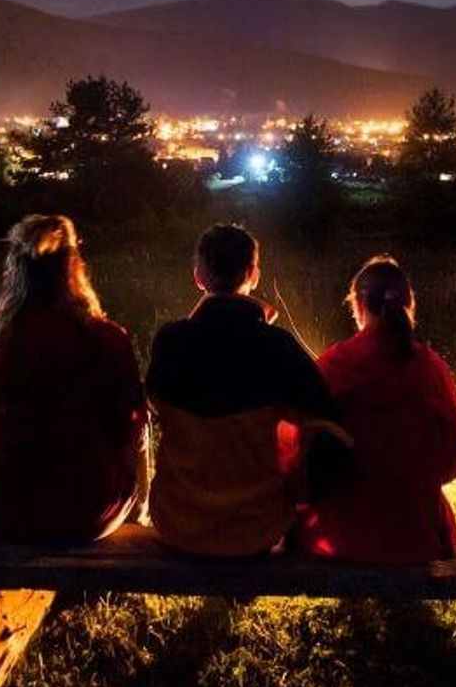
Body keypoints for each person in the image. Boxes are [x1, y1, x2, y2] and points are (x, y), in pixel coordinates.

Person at [145, 222, 346, 556]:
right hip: (257, 530)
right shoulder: (277, 347)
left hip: (177, 523)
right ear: (253, 274)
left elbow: (152, 406)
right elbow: (332, 426)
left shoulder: (171, 342)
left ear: (198, 276)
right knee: (316, 430)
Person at [0, 214, 145, 544]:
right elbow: (127, 426)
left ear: (13, 271)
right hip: (85, 515)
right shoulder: (104, 339)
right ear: (74, 267)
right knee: (136, 431)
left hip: (1, 514)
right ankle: (141, 512)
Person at [291, 256, 456, 564]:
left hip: (341, 537)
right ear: (410, 304)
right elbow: (454, 459)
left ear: (358, 307)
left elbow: (299, 443)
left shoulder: (335, 365)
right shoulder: (432, 369)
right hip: (415, 536)